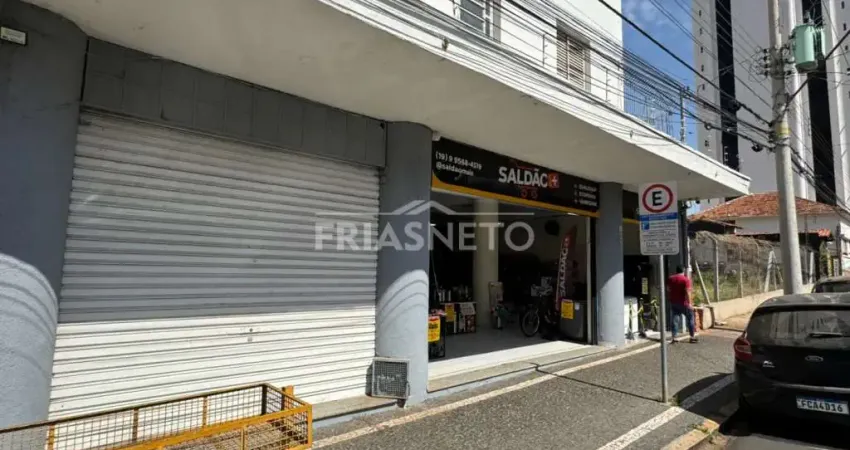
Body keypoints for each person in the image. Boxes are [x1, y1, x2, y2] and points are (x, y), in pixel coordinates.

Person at [667, 265, 698, 343]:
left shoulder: (670, 278)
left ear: (676, 270)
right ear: (683, 271)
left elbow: (668, 289)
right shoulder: (685, 280)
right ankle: (692, 337)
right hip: (684, 303)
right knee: (690, 319)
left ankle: (674, 337)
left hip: (674, 303)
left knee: (675, 320)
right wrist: (690, 303)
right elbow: (687, 292)